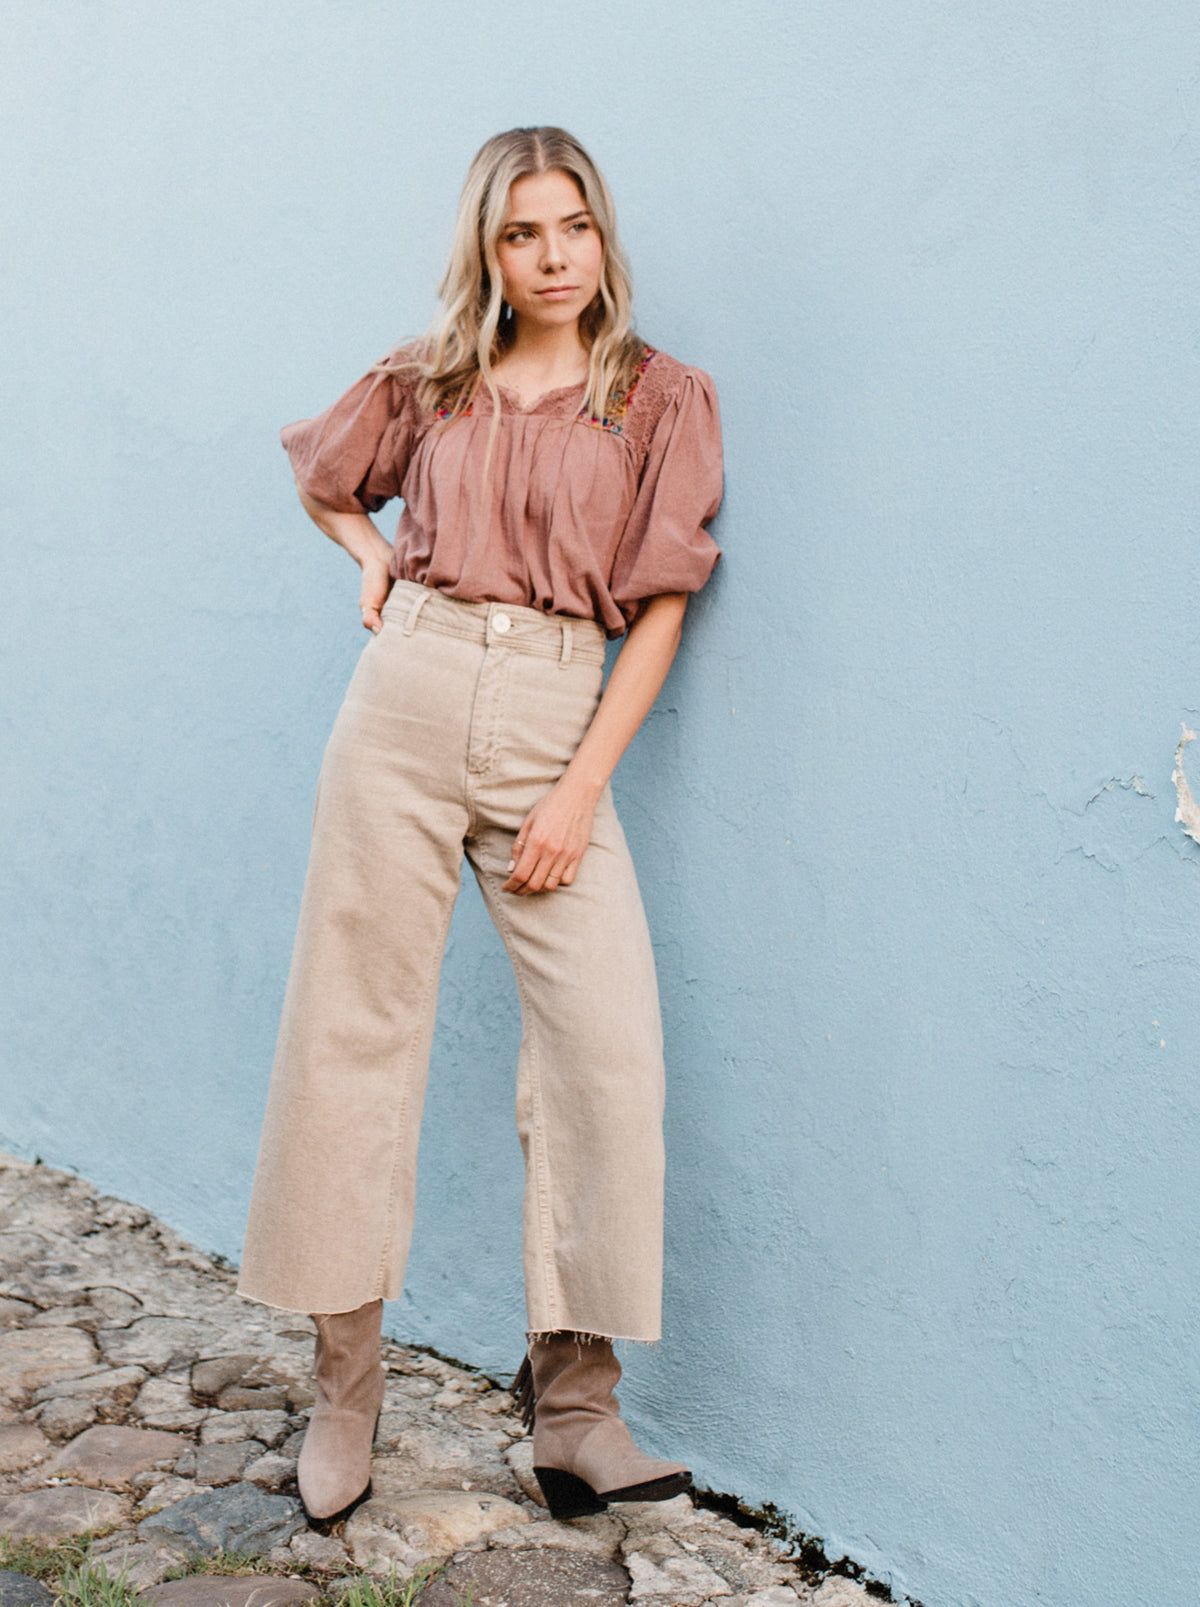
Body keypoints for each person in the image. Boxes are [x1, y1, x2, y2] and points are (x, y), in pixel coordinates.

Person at [236, 125, 723, 1526]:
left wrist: (579, 788)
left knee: (605, 1053)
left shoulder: (661, 399)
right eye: (523, 233)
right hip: (406, 699)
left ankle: (576, 1411)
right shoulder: (430, 379)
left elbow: (664, 600)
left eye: (573, 226)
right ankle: (344, 1391)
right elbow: (324, 476)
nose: (554, 255)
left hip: (560, 724)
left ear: (602, 235)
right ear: (488, 251)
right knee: (351, 1032)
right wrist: (376, 554)